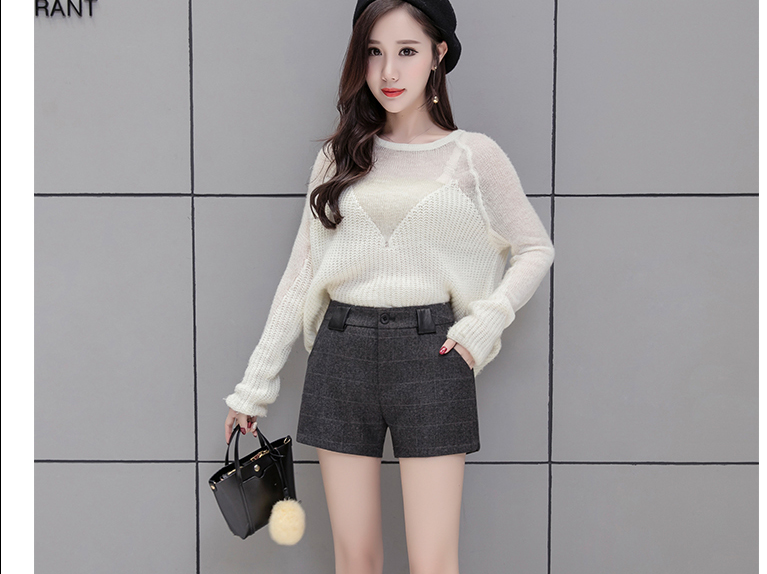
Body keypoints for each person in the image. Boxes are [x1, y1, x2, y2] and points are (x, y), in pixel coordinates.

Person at [223, 0, 555, 572]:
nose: (389, 72)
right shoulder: (339, 156)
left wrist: (482, 325)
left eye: (407, 51)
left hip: (433, 354)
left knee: (433, 561)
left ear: (438, 55)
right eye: (374, 52)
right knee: (355, 560)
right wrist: (254, 388)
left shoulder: (473, 156)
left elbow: (535, 248)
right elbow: (302, 272)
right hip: (341, 353)